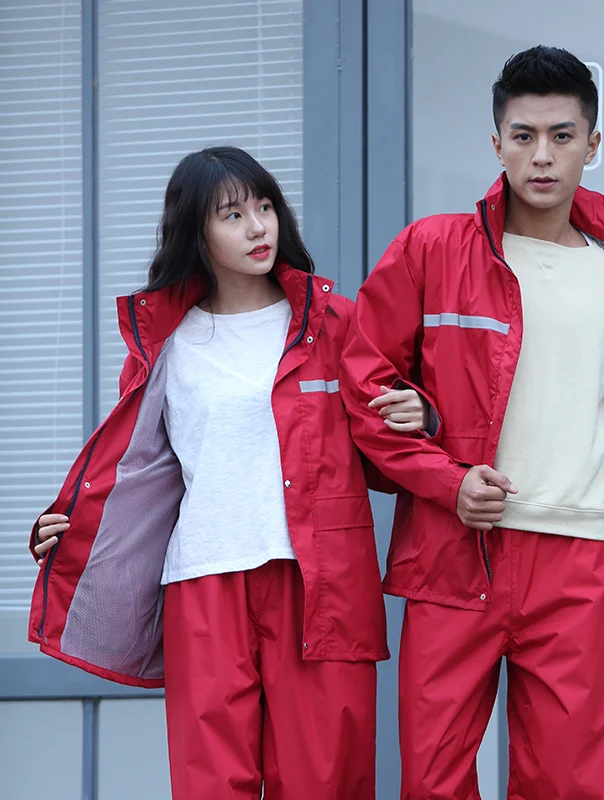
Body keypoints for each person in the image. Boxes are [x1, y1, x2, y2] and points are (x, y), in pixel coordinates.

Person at [340, 46, 604, 800]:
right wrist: (445, 481)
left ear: (592, 144)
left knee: (569, 785)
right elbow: (364, 385)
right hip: (453, 552)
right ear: (497, 143)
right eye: (524, 135)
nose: (542, 155)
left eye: (562, 136)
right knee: (433, 783)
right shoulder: (431, 249)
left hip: (578, 556)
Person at [29, 146, 430, 800]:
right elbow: (133, 470)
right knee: (212, 783)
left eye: (265, 206)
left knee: (325, 779)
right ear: (197, 232)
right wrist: (72, 528)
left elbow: (388, 446)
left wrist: (423, 414)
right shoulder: (164, 342)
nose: (258, 227)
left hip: (319, 582)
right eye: (233, 215)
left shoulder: (334, 322)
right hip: (204, 579)